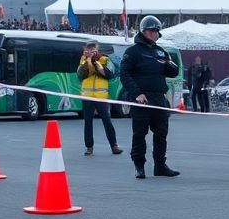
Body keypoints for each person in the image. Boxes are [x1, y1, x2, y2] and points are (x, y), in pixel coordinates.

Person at [119, 16, 180, 179]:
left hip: (159, 98)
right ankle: (139, 166)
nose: (154, 34)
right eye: (151, 31)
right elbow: (124, 74)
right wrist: (136, 93)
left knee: (161, 133)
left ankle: (160, 165)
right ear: (143, 31)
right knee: (139, 133)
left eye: (156, 31)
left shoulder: (160, 51)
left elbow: (174, 72)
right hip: (142, 98)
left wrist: (167, 63)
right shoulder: (132, 52)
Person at [77, 40, 123, 156]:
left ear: (97, 50)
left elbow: (110, 74)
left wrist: (96, 64)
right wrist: (88, 62)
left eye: (92, 50)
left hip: (101, 96)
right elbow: (81, 75)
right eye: (87, 51)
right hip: (87, 96)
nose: (89, 53)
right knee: (88, 122)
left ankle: (114, 146)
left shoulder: (104, 59)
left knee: (107, 121)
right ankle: (89, 147)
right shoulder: (83, 60)